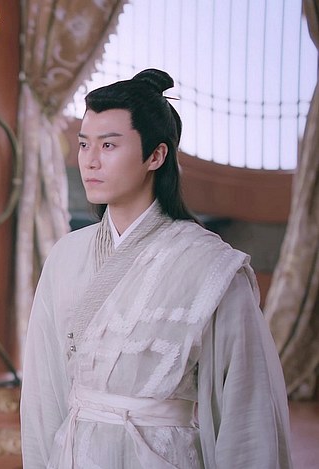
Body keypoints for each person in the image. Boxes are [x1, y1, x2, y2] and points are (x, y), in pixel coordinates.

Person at [20, 69, 292, 468]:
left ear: (156, 155)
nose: (90, 161)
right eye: (83, 144)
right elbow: (43, 395)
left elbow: (246, 410)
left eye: (108, 145)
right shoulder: (66, 256)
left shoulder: (209, 266)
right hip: (74, 454)